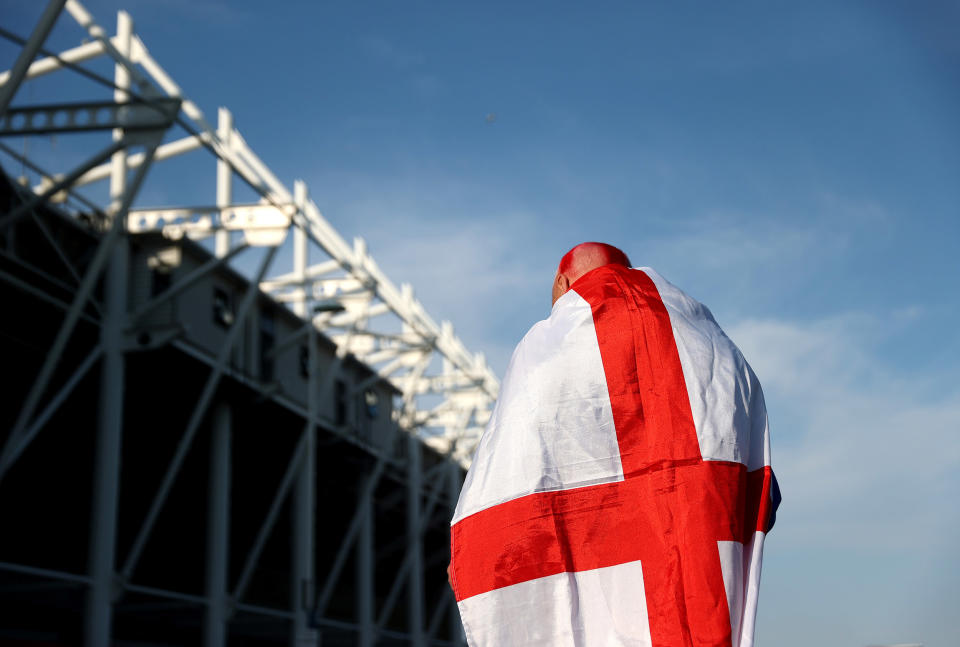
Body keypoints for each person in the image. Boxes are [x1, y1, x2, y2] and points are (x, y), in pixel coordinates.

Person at [449, 243, 779, 647]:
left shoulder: (545, 351)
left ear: (563, 282)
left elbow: (505, 491)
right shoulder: (718, 348)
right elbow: (760, 489)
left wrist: (470, 560)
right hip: (705, 600)